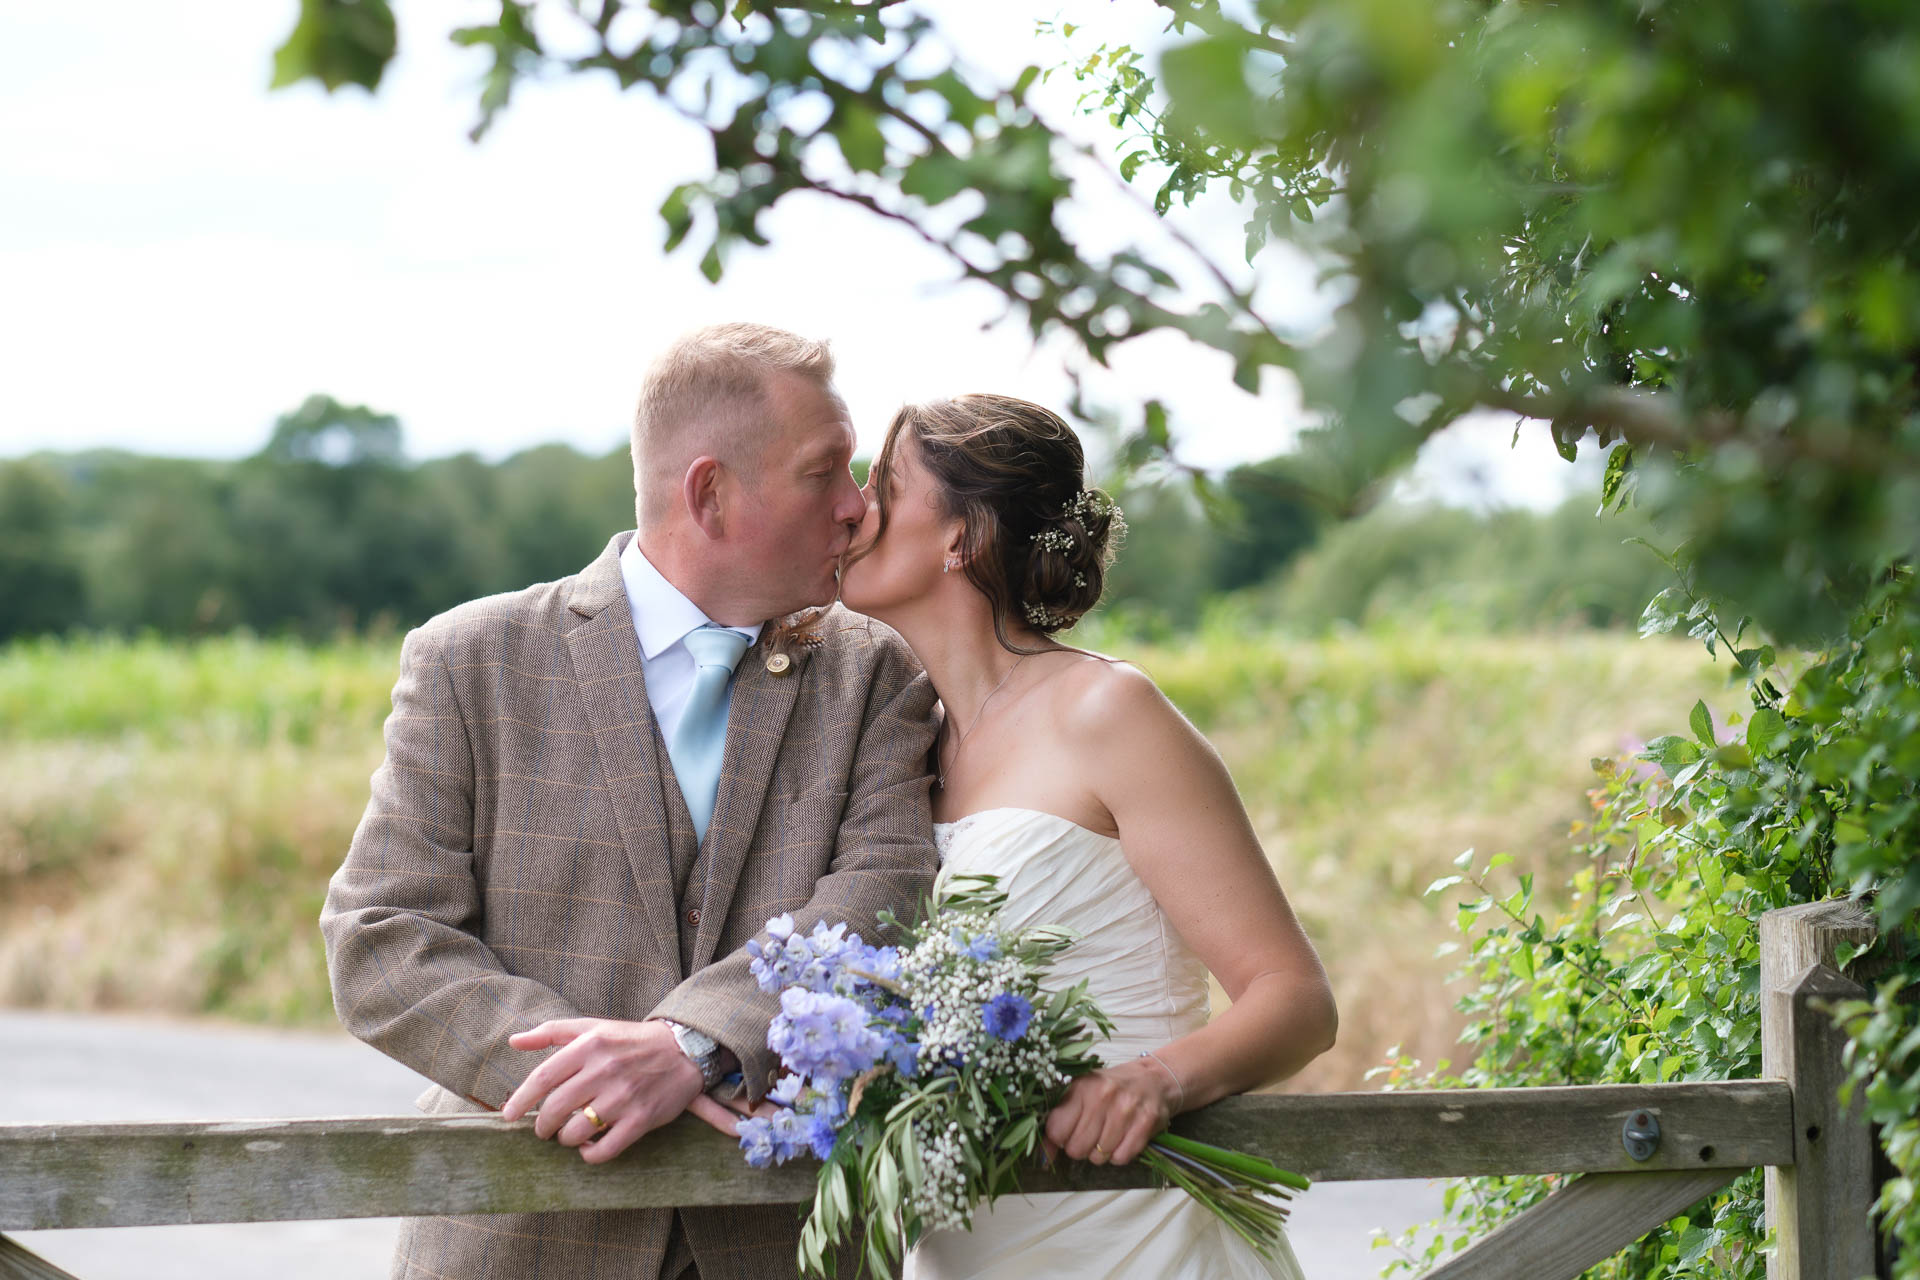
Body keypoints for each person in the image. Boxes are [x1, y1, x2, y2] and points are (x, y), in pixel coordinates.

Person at [319, 323, 941, 1280]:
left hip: (782, 1242)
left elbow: (885, 896)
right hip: (519, 1239)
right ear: (709, 493)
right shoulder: (470, 659)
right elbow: (381, 935)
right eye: (828, 472)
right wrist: (586, 1081)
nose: (859, 508)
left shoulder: (874, 672)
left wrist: (697, 1045)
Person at [824, 393, 1334, 1278]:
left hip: (1136, 1235)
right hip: (968, 1242)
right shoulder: (901, 743)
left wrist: (1158, 1082)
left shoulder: (1109, 712)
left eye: (887, 484)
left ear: (964, 538)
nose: (858, 508)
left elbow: (1294, 998)